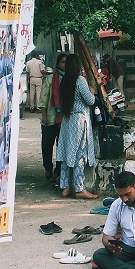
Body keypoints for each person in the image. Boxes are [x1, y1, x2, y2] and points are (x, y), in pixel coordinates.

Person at [57, 54, 97, 199]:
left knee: (67, 152)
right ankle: (80, 189)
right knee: (79, 154)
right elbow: (90, 101)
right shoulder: (80, 81)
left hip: (67, 121)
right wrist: (92, 91)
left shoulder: (64, 81)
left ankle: (65, 187)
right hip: (79, 121)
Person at [39, 54, 66, 182]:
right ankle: (48, 168)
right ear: (57, 64)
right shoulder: (50, 79)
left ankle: (59, 170)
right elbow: (43, 98)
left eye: (67, 63)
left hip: (64, 119)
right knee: (47, 144)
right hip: (50, 117)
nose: (64, 65)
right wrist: (44, 115)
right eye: (62, 62)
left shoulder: (72, 79)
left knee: (61, 146)